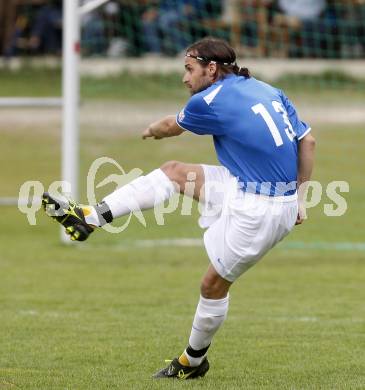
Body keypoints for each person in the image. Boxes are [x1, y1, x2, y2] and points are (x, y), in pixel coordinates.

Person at [42, 37, 315, 379]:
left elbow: (171, 126)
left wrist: (154, 129)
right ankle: (89, 218)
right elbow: (308, 141)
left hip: (261, 211)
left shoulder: (210, 99)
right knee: (173, 172)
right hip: (257, 190)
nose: (185, 78)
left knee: (212, 286)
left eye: (189, 69)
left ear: (211, 68)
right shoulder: (266, 89)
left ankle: (192, 362)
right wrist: (300, 198)